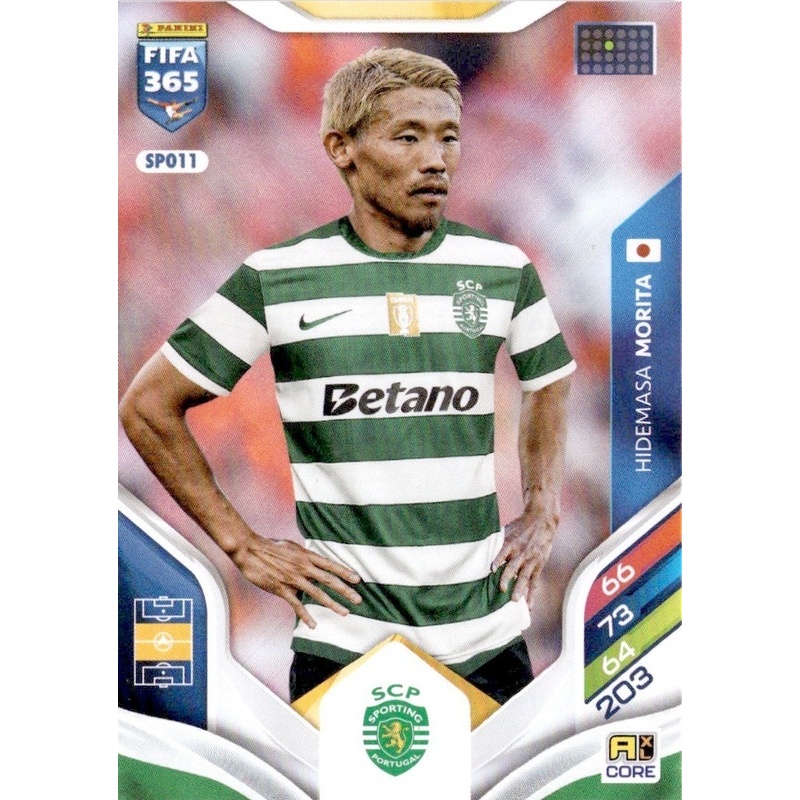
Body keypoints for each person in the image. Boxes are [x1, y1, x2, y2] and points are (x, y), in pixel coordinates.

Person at [119, 47, 575, 705]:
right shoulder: (278, 277)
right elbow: (147, 407)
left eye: (447, 137)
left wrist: (542, 508)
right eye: (407, 138)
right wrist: (242, 544)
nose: (434, 159)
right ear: (342, 150)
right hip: (340, 649)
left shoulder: (498, 269)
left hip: (483, 646)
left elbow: (550, 380)